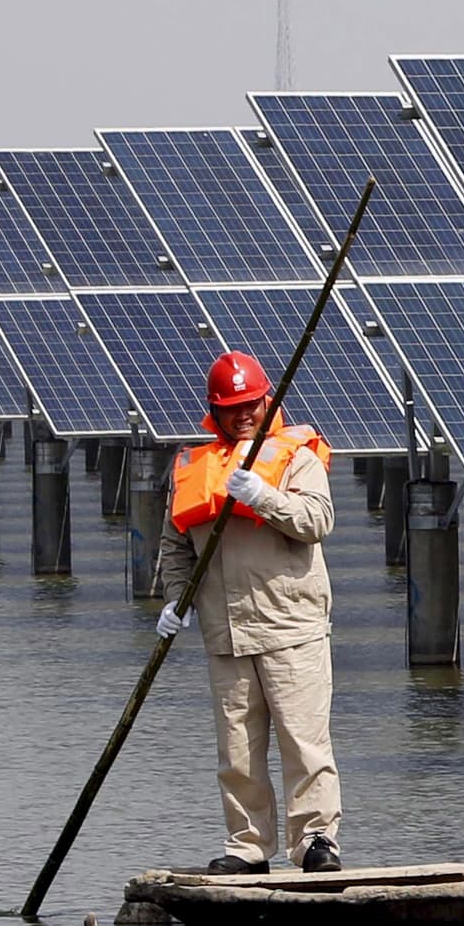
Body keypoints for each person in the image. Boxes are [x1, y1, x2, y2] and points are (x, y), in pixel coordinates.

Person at [153, 351, 342, 875]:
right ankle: (248, 847)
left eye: (250, 405)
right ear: (213, 411)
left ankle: (316, 843)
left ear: (267, 402)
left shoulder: (296, 456)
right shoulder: (193, 465)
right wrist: (175, 597)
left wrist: (262, 496)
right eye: (230, 408)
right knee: (237, 751)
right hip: (225, 632)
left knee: (304, 742)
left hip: (291, 628)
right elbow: (174, 544)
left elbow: (316, 521)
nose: (243, 417)